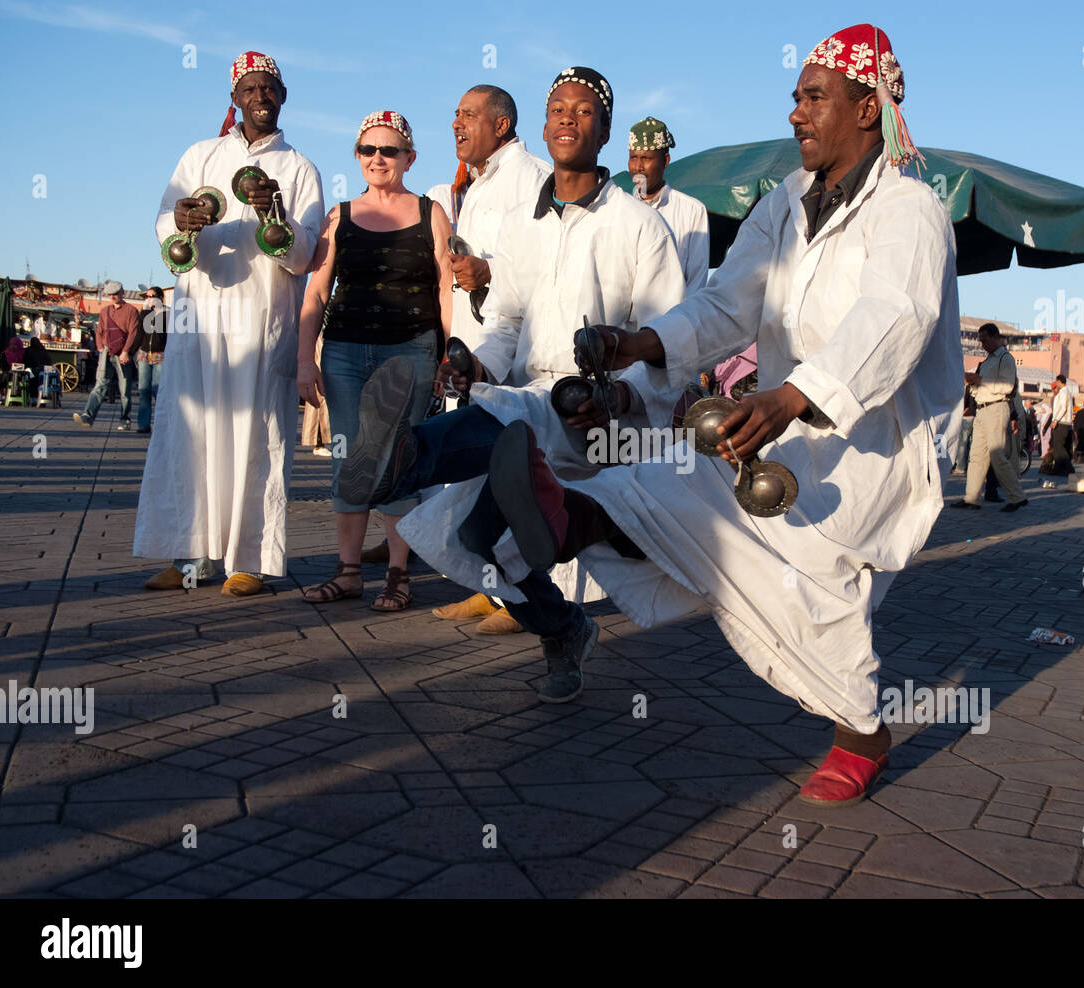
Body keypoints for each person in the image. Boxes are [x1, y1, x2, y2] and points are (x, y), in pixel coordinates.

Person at [345, 25, 960, 806]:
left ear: (867, 109)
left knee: (807, 588)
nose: (796, 112)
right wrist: (640, 340)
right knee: (658, 490)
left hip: (867, 450)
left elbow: (893, 319)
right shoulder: (782, 208)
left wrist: (791, 397)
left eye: (814, 97)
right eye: (795, 97)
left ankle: (861, 732)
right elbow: (728, 304)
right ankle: (556, 517)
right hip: (764, 429)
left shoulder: (907, 211)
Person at [344, 64, 686, 699]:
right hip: (530, 396)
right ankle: (562, 628)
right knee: (477, 539)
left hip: (600, 418)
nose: (566, 118)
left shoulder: (641, 227)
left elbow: (669, 338)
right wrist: (477, 363)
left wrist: (624, 393)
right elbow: (505, 320)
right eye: (557, 107)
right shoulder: (529, 226)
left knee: (483, 459)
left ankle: (405, 453)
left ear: (605, 130)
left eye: (583, 111)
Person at [135, 51, 324, 595]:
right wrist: (183, 220)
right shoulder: (200, 154)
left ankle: (248, 560)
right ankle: (189, 556)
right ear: (235, 99)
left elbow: (306, 252)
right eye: (251, 89)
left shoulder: (299, 167)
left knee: (256, 433)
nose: (261, 97)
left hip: (262, 321)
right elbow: (166, 226)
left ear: (283, 97)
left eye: (270, 89)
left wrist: (274, 216)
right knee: (189, 430)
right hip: (200, 318)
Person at [297, 110, 451, 612]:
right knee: (349, 457)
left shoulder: (431, 214)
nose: (378, 159)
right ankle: (347, 573)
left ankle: (398, 573)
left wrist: (447, 354)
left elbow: (446, 289)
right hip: (344, 351)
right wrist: (305, 360)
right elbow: (317, 292)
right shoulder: (338, 216)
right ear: (357, 156)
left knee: (398, 458)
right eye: (368, 150)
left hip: (411, 349)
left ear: (409, 158)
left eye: (389, 150)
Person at [427, 84, 551, 633]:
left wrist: (490, 270)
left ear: (501, 126)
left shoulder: (530, 177)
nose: (458, 124)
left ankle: (525, 600)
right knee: (479, 471)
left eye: (470, 115)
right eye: (455, 115)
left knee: (512, 472)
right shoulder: (477, 185)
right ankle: (491, 586)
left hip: (517, 350)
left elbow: (541, 260)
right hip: (479, 348)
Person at [627, 117, 710, 291]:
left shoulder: (692, 211)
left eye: (646, 158)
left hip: (674, 317)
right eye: (634, 158)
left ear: (665, 161)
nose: (638, 166)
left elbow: (696, 284)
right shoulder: (619, 211)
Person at [952, 323, 1026, 511]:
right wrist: (973, 384)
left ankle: (1016, 496)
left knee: (996, 454)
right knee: (976, 455)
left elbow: (1007, 387)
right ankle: (971, 498)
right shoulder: (987, 361)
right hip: (982, 409)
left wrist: (981, 381)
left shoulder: (1005, 359)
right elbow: (981, 388)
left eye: (984, 339)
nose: (982, 344)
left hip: (997, 408)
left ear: (995, 337)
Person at [72, 283, 137, 429]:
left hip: (123, 353)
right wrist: (100, 347)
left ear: (122, 292)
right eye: (110, 294)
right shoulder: (105, 311)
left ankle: (125, 419)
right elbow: (99, 330)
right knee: (100, 384)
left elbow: (133, 333)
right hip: (107, 352)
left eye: (115, 293)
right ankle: (88, 416)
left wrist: (126, 351)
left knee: (125, 389)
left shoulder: (131, 310)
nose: (113, 297)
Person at [132, 287, 167, 433]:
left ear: (160, 297)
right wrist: (129, 352)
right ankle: (143, 424)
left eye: (152, 296)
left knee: (157, 390)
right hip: (144, 354)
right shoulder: (144, 313)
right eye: (146, 296)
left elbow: (167, 335)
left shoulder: (166, 313)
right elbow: (139, 333)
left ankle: (160, 424)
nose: (149, 298)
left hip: (160, 354)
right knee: (143, 390)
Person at [1043, 375, 1074, 476]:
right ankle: (1058, 469)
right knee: (1057, 447)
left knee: (1059, 447)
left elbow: (1063, 408)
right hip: (1062, 422)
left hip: (1062, 423)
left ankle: (1069, 468)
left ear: (1060, 381)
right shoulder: (1065, 392)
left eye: (1056, 381)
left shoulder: (1064, 392)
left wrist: (1055, 420)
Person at [952, 388, 975, 475]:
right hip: (975, 416)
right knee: (972, 444)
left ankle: (960, 467)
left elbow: (967, 405)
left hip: (967, 417)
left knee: (962, 443)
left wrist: (960, 414)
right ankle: (971, 467)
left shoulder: (968, 388)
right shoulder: (975, 386)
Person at [22, 336, 48, 404]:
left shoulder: (28, 350)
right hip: (44, 372)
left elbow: (24, 361)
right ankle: (43, 396)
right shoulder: (43, 350)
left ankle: (33, 398)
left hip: (32, 371)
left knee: (31, 378)